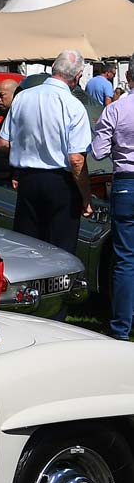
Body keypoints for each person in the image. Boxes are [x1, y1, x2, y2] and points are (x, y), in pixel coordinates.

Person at [0, 50, 93, 255]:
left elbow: (3, 144)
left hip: (28, 180)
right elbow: (76, 159)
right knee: (60, 251)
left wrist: (25, 153)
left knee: (27, 247)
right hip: (60, 183)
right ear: (77, 77)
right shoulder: (74, 106)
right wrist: (86, 196)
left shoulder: (23, 98)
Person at [92, 56, 134, 339]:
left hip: (126, 183)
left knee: (125, 259)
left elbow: (98, 151)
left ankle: (121, 326)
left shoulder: (116, 109)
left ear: (129, 78)